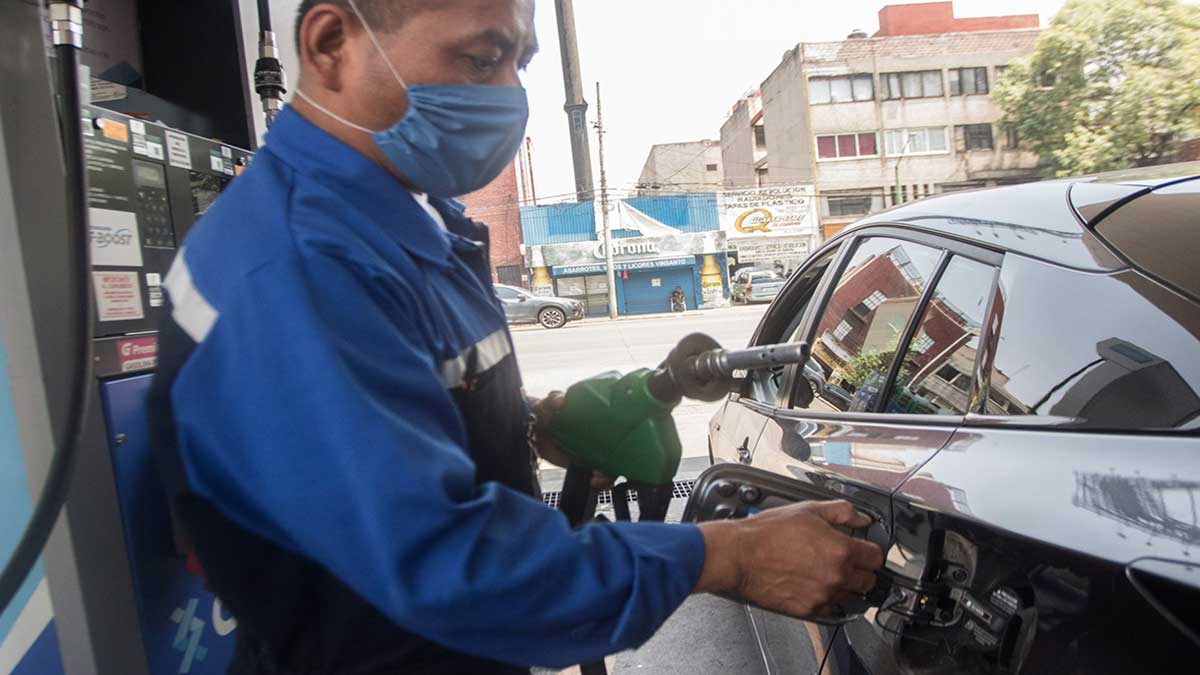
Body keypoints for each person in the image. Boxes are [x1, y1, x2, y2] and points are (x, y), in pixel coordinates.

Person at [147, 1, 884, 673]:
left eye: (519, 64)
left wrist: (525, 420)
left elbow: (408, 395)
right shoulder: (302, 262)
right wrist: (728, 555)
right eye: (479, 58)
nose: (507, 95)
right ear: (332, 42)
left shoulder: (399, 223)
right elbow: (446, 564)